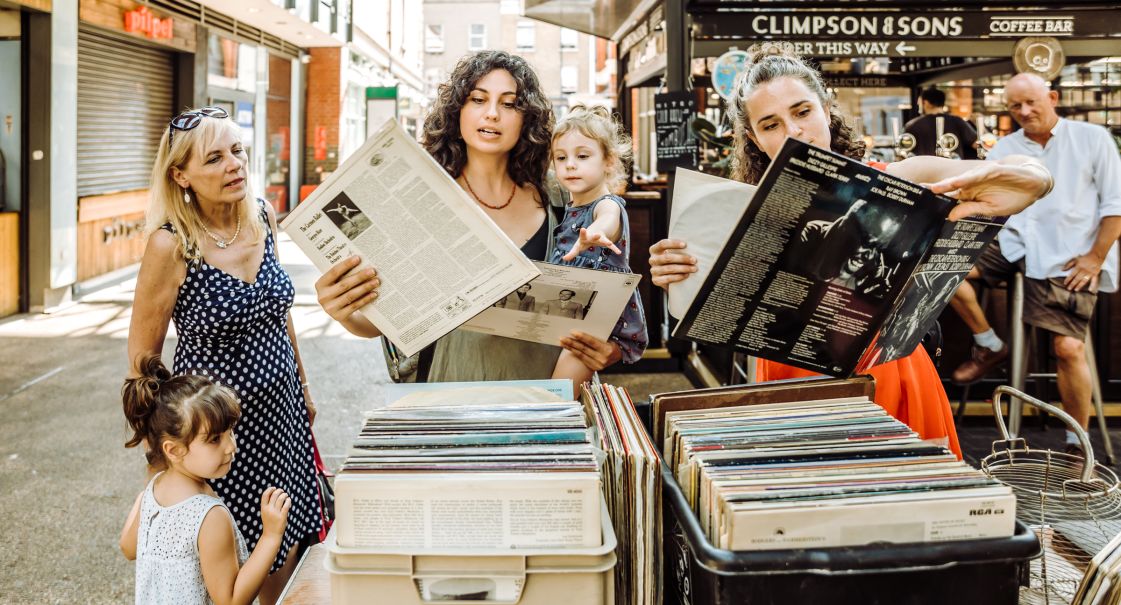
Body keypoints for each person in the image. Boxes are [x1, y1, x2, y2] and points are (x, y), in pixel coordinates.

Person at [648, 45, 1053, 458]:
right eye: (771, 124)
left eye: (802, 112)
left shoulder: (893, 180)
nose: (793, 132)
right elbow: (706, 309)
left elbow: (1023, 173)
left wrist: (1033, 176)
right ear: (754, 138)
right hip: (791, 385)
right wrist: (677, 273)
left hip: (889, 378)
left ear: (826, 108)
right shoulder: (739, 216)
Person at [314, 51, 624, 382]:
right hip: (447, 401)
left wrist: (612, 349)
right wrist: (342, 310)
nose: (492, 114)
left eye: (509, 104)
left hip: (549, 403)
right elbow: (383, 322)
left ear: (527, 118)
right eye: (478, 99)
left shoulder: (560, 195)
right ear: (458, 111)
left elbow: (611, 287)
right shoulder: (420, 200)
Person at [126, 106, 319, 603]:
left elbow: (280, 313)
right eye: (214, 158)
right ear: (181, 174)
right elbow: (142, 361)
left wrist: (303, 387)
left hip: (282, 417)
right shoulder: (171, 244)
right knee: (224, 569)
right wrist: (164, 458)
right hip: (217, 432)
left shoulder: (262, 214)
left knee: (285, 542)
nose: (234, 164)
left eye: (237, 150)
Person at [947, 72, 1121, 457]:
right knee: (942, 268)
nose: (1024, 111)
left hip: (1069, 253)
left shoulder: (1092, 139)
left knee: (1069, 348)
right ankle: (989, 343)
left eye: (1031, 102)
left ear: (1053, 97)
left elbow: (1115, 206)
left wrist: (1094, 259)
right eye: (1015, 106)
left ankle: (1078, 444)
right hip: (1012, 243)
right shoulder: (1005, 147)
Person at [119, 353, 292, 605]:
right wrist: (271, 537)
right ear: (174, 450)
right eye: (214, 439)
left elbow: (127, 547)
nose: (231, 446)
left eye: (230, 432)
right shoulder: (209, 516)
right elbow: (231, 600)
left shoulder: (152, 492)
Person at [548, 104, 648, 383]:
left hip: (599, 317)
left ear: (609, 161)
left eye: (582, 156)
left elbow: (609, 218)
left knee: (561, 392)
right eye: (561, 157)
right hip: (576, 310)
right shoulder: (570, 206)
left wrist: (595, 232)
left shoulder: (605, 204)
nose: (570, 164)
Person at [795, 199, 898, 297]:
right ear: (846, 228)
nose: (868, 255)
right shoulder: (811, 232)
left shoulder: (869, 269)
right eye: (866, 241)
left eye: (877, 247)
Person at [904, 87, 979, 159]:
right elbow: (977, 145)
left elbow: (905, 151)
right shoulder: (957, 121)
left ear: (926, 103)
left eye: (919, 104)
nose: (918, 107)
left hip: (923, 170)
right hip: (954, 169)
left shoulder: (912, 125)